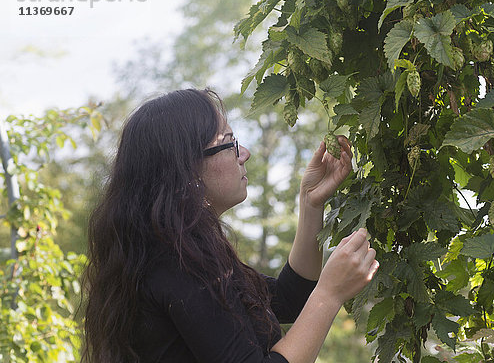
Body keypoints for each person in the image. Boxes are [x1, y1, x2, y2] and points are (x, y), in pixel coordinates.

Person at [81, 88, 378, 363]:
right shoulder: (173, 266)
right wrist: (329, 295)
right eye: (228, 143)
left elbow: (289, 299)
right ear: (185, 167)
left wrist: (310, 203)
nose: (244, 153)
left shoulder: (183, 255)